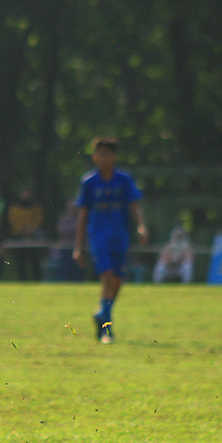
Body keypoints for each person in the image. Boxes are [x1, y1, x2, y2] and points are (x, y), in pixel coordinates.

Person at [73, 137, 148, 343]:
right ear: (94, 157)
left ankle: (101, 313)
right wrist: (78, 246)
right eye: (100, 154)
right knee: (106, 277)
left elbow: (134, 205)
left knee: (117, 279)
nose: (103, 158)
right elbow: (82, 214)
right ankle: (107, 327)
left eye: (108, 154)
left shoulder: (124, 180)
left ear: (114, 157)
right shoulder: (89, 182)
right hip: (98, 235)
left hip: (120, 235)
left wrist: (141, 226)